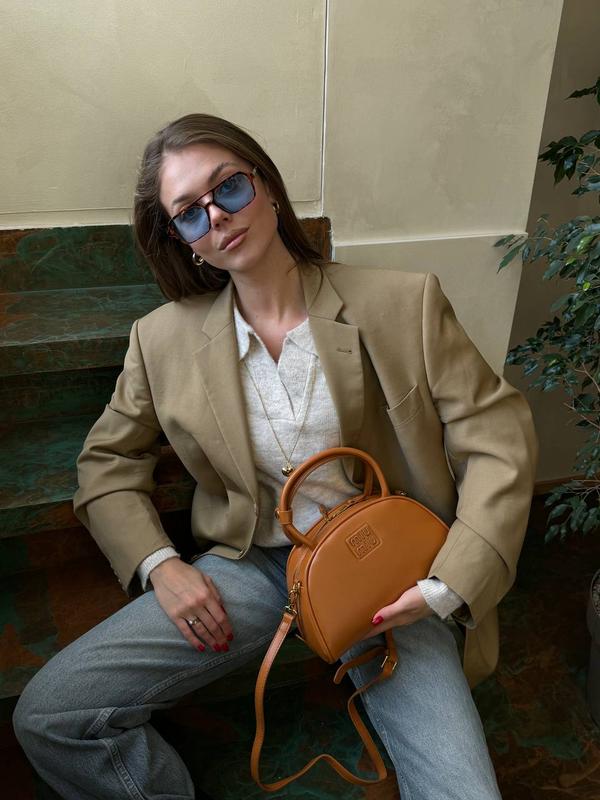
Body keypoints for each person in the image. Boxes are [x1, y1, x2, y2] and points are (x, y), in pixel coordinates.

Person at [13, 113, 538, 800]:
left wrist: (446, 582)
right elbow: (105, 462)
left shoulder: (402, 302)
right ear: (183, 241)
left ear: (265, 186)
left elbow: (497, 436)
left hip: (385, 571)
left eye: (228, 188)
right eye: (189, 214)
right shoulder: (160, 340)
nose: (217, 217)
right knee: (52, 714)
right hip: (253, 565)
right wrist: (160, 564)